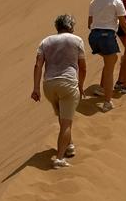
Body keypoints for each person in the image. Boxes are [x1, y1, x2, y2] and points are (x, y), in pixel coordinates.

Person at [31, 14, 87, 168]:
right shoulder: (77, 40)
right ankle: (60, 158)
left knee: (63, 117)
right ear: (70, 27)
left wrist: (36, 88)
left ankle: (69, 145)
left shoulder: (45, 41)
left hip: (49, 85)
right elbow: (82, 67)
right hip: (68, 84)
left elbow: (38, 65)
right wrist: (81, 85)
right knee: (66, 123)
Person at [87, 0, 126, 110]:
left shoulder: (93, 2)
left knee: (109, 62)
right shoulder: (116, 2)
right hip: (107, 36)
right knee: (110, 67)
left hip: (93, 37)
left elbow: (89, 24)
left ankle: (102, 88)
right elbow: (124, 24)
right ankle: (107, 102)